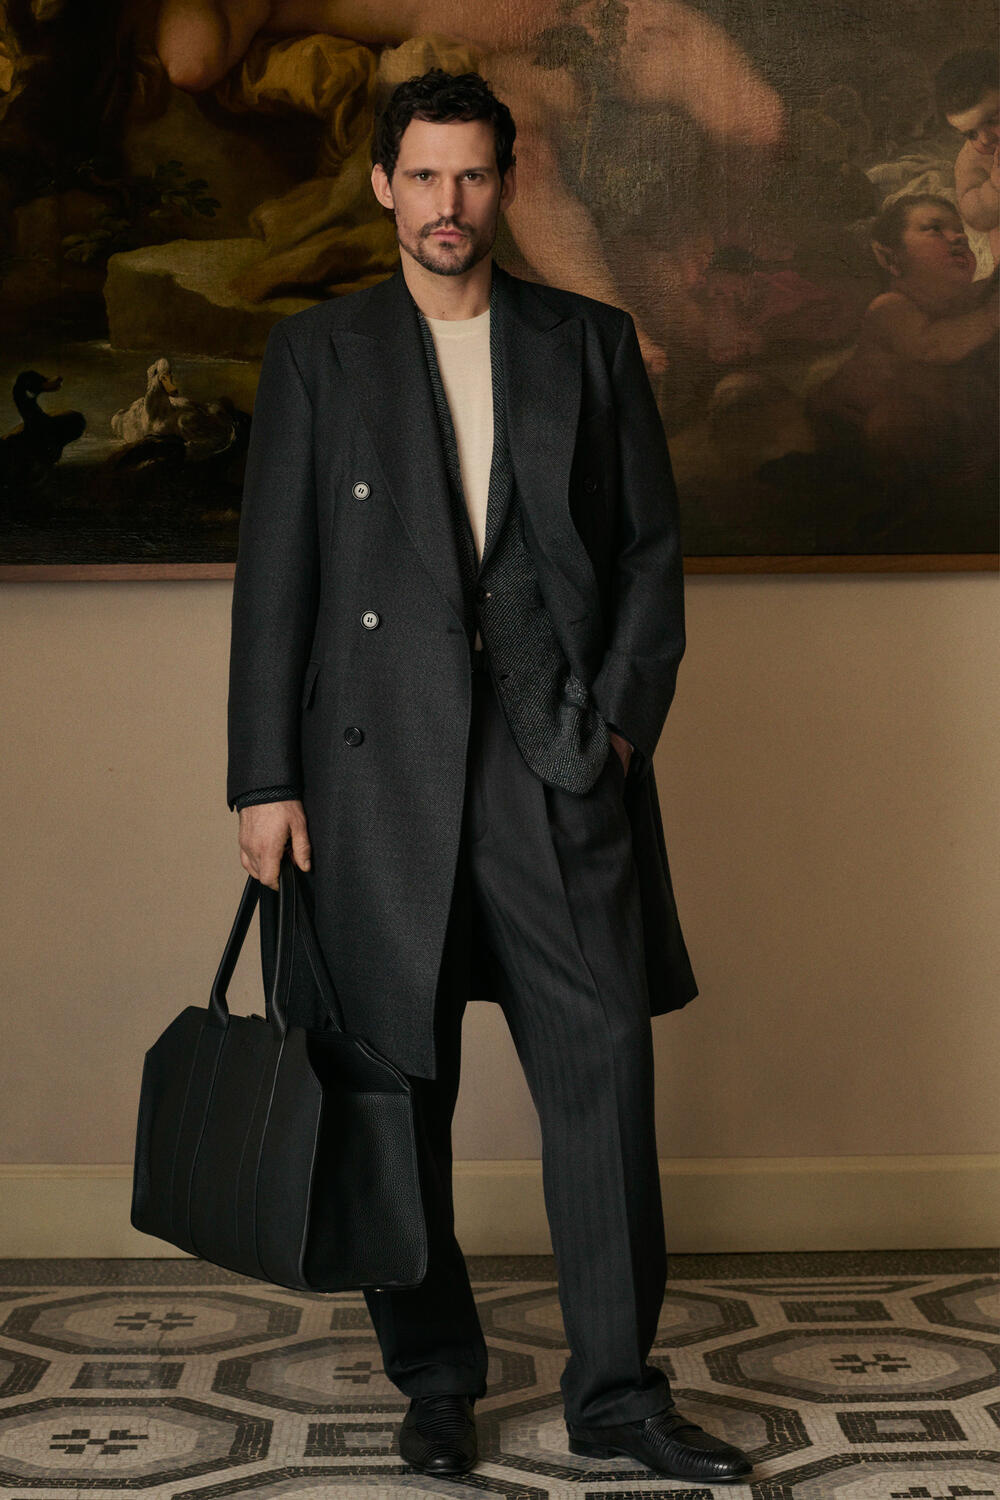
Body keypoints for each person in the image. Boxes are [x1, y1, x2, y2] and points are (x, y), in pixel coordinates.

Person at [227, 67, 752, 1485]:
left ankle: (617, 1396)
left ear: (505, 184)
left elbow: (648, 556)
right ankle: (437, 1382)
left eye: (471, 174)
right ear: (383, 186)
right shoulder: (318, 354)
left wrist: (618, 730)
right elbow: (275, 582)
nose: (447, 202)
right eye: (423, 175)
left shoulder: (587, 341)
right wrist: (261, 779)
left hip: (552, 760)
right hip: (369, 777)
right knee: (393, 1089)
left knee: (602, 1075)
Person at [935, 48, 999, 272]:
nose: (985, 139)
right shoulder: (972, 159)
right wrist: (995, 187)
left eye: (993, 120)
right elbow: (978, 217)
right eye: (971, 134)